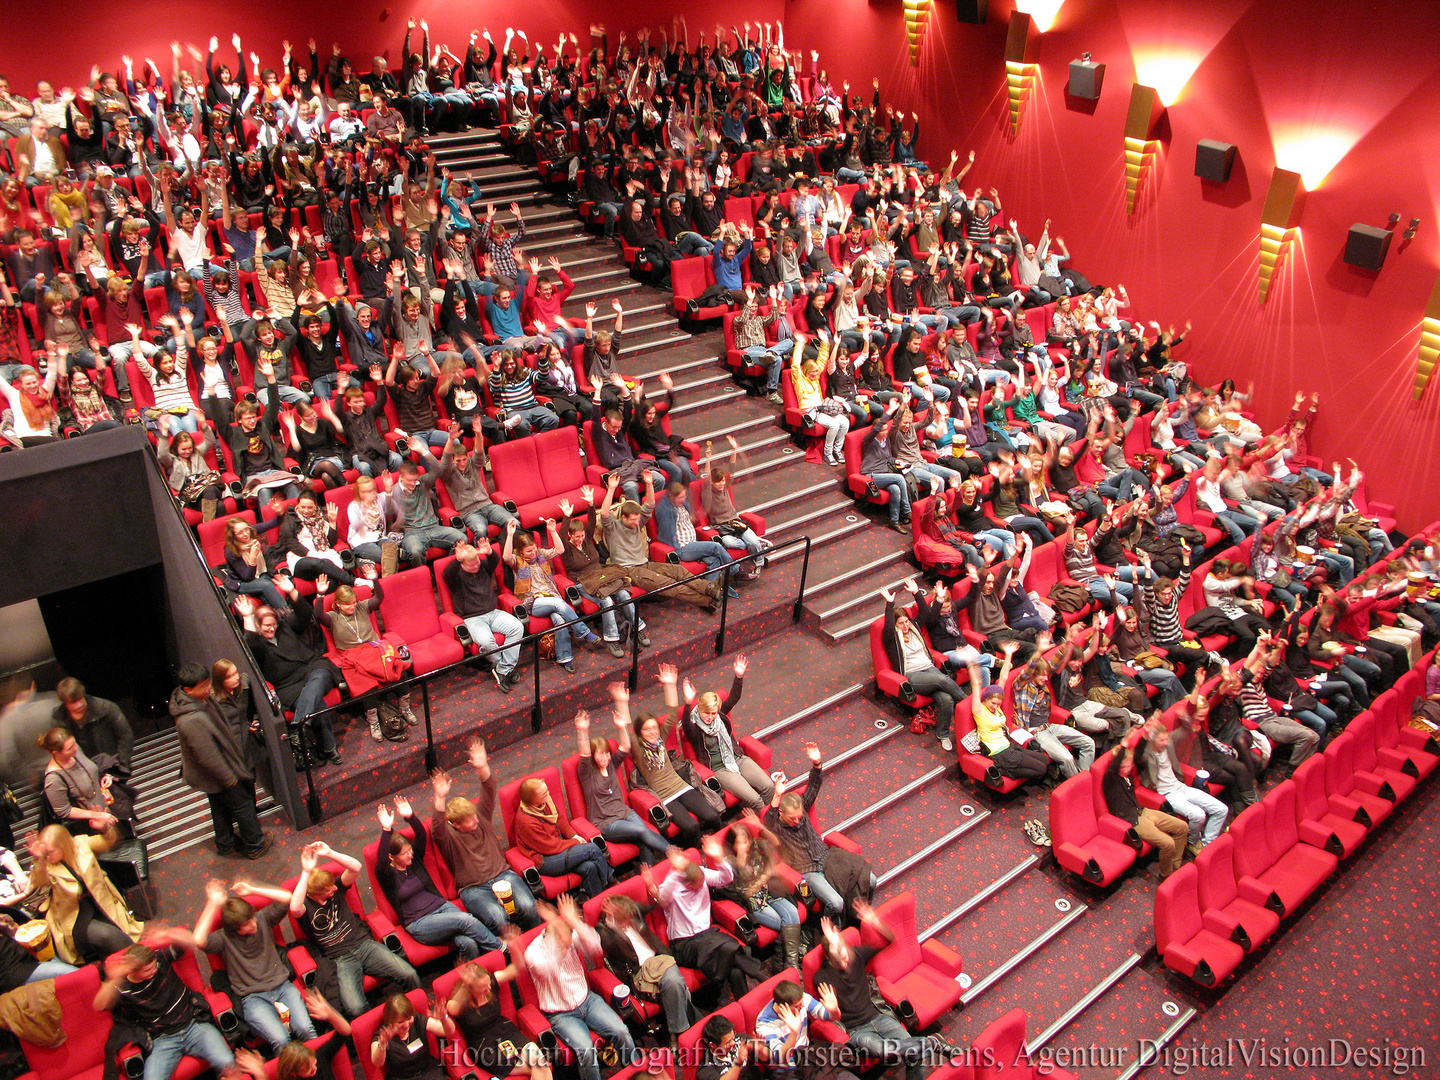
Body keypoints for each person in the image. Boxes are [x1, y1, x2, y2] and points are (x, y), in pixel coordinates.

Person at [813, 901, 949, 1080]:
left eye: (845, 956)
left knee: (914, 1055)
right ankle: (930, 1042)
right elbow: (834, 1017)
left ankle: (925, 1045)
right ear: (828, 957)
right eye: (839, 961)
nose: (845, 963)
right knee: (880, 1049)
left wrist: (874, 921)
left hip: (879, 1017)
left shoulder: (855, 954)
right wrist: (832, 1008)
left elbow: (889, 940)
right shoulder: (821, 978)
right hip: (857, 1031)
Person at [288, 839, 421, 1019]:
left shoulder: (337, 890)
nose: (335, 888)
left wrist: (330, 853)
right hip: (341, 959)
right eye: (329, 889)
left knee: (409, 974)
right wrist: (306, 872)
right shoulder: (305, 907)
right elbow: (294, 908)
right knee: (355, 1008)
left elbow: (356, 867)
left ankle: (417, 1015)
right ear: (316, 894)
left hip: (364, 946)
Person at [516, 894, 637, 1080]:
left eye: (568, 946)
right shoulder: (533, 952)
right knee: (587, 1052)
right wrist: (555, 924)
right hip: (560, 1014)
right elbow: (548, 969)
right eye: (562, 947)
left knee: (622, 1032)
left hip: (587, 1000)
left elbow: (595, 945)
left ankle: (637, 1073)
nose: (567, 950)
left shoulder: (568, 937)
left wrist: (573, 921)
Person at [430, 734, 541, 934]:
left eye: (474, 817)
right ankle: (510, 952)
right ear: (455, 824)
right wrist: (440, 797)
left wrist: (482, 767)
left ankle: (535, 941)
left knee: (529, 907)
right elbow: (436, 826)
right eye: (469, 821)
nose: (475, 821)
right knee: (498, 918)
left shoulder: (481, 816)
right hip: (473, 888)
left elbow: (489, 788)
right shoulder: (448, 838)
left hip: (503, 874)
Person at [195, 878, 317, 1055]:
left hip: (282, 986)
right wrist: (213, 903)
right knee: (281, 1039)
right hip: (253, 997)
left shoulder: (261, 919)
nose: (253, 925)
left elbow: (286, 897)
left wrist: (253, 888)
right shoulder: (223, 938)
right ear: (235, 928)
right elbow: (198, 939)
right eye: (247, 925)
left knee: (306, 1029)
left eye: (252, 919)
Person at [94, 931, 237, 1080]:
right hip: (162, 1040)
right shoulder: (123, 986)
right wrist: (114, 980)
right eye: (148, 970)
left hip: (194, 1026)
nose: (155, 970)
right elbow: (99, 1004)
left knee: (228, 1064)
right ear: (132, 972)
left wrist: (166, 933)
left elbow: (189, 940)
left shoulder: (160, 959)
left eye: (154, 966)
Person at [375, 796, 501, 962]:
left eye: (410, 851)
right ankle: (501, 948)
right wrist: (386, 829)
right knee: (466, 920)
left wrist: (410, 816)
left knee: (468, 943)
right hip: (420, 922)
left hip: (442, 908)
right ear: (392, 857)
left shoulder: (414, 862)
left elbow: (421, 835)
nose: (410, 854)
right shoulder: (387, 875)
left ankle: (474, 972)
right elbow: (381, 860)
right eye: (405, 853)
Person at [764, 743, 875, 920]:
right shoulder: (776, 826)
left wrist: (817, 764)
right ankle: (829, 930)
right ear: (781, 812)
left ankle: (862, 918)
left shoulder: (803, 808)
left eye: (800, 816)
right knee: (836, 904)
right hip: (808, 871)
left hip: (827, 858)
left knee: (870, 880)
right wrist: (777, 796)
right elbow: (767, 821)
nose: (797, 821)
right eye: (792, 818)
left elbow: (814, 786)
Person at [171, 662, 269, 860]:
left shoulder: (199, 701)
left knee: (219, 806)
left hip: (215, 771)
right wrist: (229, 778)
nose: (209, 689)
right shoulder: (190, 719)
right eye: (204, 686)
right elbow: (207, 756)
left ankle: (225, 843)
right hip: (218, 771)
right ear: (189, 689)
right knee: (242, 804)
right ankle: (255, 844)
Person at [650, 836, 768, 1000]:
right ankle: (761, 976)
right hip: (685, 945)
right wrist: (675, 870)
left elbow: (725, 878)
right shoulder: (672, 886)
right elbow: (662, 899)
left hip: (708, 937)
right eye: (697, 885)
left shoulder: (702, 874)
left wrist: (718, 857)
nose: (702, 886)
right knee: (728, 946)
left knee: (733, 963)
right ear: (687, 884)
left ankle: (744, 1001)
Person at [235, 591, 343, 766]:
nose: (272, 629)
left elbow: (304, 614)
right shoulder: (257, 644)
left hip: (311, 669)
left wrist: (293, 592)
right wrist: (247, 617)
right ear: (257, 625)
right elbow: (250, 645)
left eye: (273, 624)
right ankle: (328, 748)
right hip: (288, 686)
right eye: (266, 626)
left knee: (321, 674)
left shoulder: (284, 628)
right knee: (318, 705)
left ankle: (298, 726)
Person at [619, 671, 724, 846]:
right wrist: (622, 702)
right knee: (690, 827)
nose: (652, 733)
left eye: (654, 728)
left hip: (682, 787)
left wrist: (669, 685)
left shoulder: (660, 740)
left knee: (713, 816)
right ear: (640, 733)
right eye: (647, 730)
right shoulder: (638, 750)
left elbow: (672, 715)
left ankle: (722, 844)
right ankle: (696, 854)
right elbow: (627, 727)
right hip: (666, 797)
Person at [599, 474, 724, 611]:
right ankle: (708, 601)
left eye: (638, 519)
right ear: (623, 517)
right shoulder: (613, 528)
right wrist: (611, 488)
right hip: (629, 569)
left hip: (645, 563)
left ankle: (708, 588)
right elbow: (604, 513)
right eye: (633, 519)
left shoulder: (638, 523)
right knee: (669, 584)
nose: (637, 522)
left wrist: (649, 484)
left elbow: (650, 504)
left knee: (677, 570)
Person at [26, 824, 143, 964]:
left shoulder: (80, 844)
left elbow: (108, 840)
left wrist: (104, 827)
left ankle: (125, 968)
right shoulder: (45, 866)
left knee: (113, 938)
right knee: (109, 936)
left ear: (63, 845)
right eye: (45, 853)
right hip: (74, 916)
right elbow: (36, 884)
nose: (47, 856)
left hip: (101, 902)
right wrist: (38, 859)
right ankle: (141, 963)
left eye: (50, 851)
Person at [595, 892, 694, 1049]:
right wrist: (612, 921)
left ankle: (677, 1035)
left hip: (660, 959)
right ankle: (684, 1034)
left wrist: (652, 890)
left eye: (629, 916)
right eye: (624, 917)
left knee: (674, 982)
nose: (628, 921)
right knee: (680, 988)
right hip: (639, 972)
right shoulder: (605, 931)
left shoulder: (634, 913)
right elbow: (610, 942)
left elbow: (650, 904)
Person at [503, 518, 601, 673]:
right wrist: (509, 535)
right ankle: (583, 631)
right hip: (533, 602)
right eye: (529, 551)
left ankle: (565, 658)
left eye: (534, 548)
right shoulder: (518, 562)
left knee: (560, 619)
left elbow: (560, 550)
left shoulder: (541, 554)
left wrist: (553, 531)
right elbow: (506, 557)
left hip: (551, 596)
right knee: (558, 603)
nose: (533, 552)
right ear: (521, 552)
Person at [572, 709, 669, 864]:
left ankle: (648, 876)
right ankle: (673, 852)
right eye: (600, 754)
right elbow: (584, 753)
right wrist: (582, 730)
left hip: (625, 813)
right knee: (643, 831)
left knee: (644, 839)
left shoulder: (611, 764)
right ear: (593, 756)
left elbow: (625, 746)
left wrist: (622, 727)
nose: (605, 758)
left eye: (607, 753)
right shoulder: (587, 772)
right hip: (605, 822)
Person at [679, 655, 775, 811]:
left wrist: (739, 676)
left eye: (713, 713)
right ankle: (764, 826)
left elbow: (734, 697)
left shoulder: (720, 715)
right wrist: (688, 702)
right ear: (700, 710)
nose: (710, 717)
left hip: (736, 758)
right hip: (719, 769)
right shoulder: (694, 726)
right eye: (706, 713)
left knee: (769, 787)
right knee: (756, 800)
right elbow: (685, 724)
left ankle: (769, 818)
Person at [878, 592, 968, 752]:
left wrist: (916, 593)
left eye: (906, 621)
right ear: (895, 625)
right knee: (943, 680)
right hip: (913, 675)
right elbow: (889, 626)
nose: (905, 626)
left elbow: (925, 613)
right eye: (901, 623)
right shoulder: (891, 638)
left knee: (946, 699)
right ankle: (969, 704)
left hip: (929, 669)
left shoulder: (914, 628)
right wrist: (890, 605)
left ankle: (942, 733)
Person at [446, 959, 554, 1080]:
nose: (489, 988)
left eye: (488, 983)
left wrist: (514, 947)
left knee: (540, 1062)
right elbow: (452, 1009)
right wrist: (465, 986)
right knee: (536, 1068)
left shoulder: (490, 983)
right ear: (471, 989)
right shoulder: (461, 1002)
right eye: (483, 987)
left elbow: (514, 969)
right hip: (485, 1046)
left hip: (506, 1032)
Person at [513, 773, 615, 899]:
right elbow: (550, 847)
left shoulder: (545, 802)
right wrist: (574, 842)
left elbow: (560, 819)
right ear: (533, 800)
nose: (548, 794)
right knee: (592, 849)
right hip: (546, 859)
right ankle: (610, 882)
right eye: (544, 794)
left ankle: (596, 902)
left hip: (558, 847)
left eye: (547, 790)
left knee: (590, 867)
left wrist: (573, 835)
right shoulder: (526, 822)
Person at [443, 542, 527, 692]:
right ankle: (507, 669)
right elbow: (447, 574)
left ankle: (502, 670)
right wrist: (456, 559)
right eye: (471, 563)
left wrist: (489, 552)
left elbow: (494, 561)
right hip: (472, 618)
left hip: (493, 612)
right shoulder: (456, 577)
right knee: (487, 642)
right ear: (462, 563)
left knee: (517, 627)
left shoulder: (482, 568)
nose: (476, 565)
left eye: (476, 560)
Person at [1136, 722, 1229, 858]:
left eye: (1166, 738)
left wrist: (1186, 717)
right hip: (1168, 794)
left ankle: (1206, 843)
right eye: (1161, 740)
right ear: (1152, 739)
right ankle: (1192, 842)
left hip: (1181, 787)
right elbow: (1138, 757)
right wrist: (1144, 736)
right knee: (1198, 815)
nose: (1165, 742)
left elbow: (1182, 731)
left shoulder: (1168, 746)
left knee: (1222, 809)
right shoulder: (1147, 755)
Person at [724, 810, 803, 968]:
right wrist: (765, 875)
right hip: (754, 902)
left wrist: (760, 826)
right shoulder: (730, 861)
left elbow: (776, 842)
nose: (744, 845)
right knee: (784, 922)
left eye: (745, 841)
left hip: (771, 891)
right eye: (739, 843)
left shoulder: (755, 845)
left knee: (792, 913)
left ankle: (788, 963)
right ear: (732, 845)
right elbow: (747, 890)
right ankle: (790, 961)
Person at [1100, 739, 1189, 879]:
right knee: (1168, 843)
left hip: (1143, 811)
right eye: (1125, 764)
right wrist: (1123, 744)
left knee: (1182, 827)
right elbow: (1113, 766)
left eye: (1130, 764)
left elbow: (1138, 753)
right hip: (1133, 821)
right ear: (1118, 764)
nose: (1129, 767)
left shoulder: (1128, 775)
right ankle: (1166, 875)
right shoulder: (1111, 779)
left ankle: (1175, 866)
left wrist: (1144, 736)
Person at [965, 646, 1050, 783]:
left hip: (1009, 745)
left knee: (1045, 760)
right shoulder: (980, 710)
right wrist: (971, 665)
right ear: (986, 700)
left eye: (998, 704)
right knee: (1041, 769)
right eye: (993, 703)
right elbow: (976, 685)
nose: (995, 707)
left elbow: (1003, 677)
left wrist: (1009, 654)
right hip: (999, 752)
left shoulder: (997, 708)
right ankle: (1004, 770)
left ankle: (1009, 769)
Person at [38, 727, 134, 840]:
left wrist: (104, 775)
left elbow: (90, 768)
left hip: (108, 807)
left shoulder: (75, 751)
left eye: (74, 743)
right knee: (114, 847)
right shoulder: (53, 780)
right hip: (92, 823)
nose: (75, 748)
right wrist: (97, 815)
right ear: (56, 753)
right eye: (70, 748)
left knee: (127, 837)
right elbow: (64, 811)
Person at [1009, 657, 1097, 779]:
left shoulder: (1042, 685)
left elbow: (1054, 664)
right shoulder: (1022, 688)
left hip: (1050, 727)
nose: (1046, 679)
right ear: (1034, 673)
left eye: (1047, 676)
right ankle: (1078, 786)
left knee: (1088, 742)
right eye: (1043, 676)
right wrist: (1038, 652)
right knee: (1067, 758)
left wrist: (1068, 643)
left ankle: (1084, 778)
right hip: (1037, 733)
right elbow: (1025, 674)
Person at [753, 979, 856, 1080]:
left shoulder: (801, 1000)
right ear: (783, 1007)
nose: (802, 1006)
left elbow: (831, 1016)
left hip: (808, 1056)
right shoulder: (764, 1024)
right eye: (797, 1006)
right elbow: (782, 1058)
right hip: (787, 1070)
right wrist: (794, 1033)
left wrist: (834, 1010)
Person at [369, 990, 456, 1080]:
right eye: (400, 1022)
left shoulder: (417, 1019)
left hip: (428, 1072)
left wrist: (444, 1019)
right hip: (403, 1078)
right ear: (390, 1020)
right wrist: (382, 1044)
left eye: (408, 1018)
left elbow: (449, 1031)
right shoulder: (384, 1033)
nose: (406, 1025)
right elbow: (377, 1062)